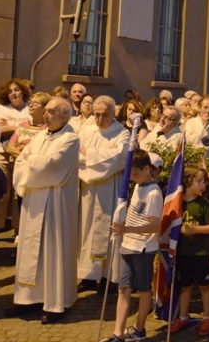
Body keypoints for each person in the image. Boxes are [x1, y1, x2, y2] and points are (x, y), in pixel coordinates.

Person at [9, 97, 79, 323]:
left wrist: (32, 161)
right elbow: (22, 160)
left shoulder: (71, 139)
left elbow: (52, 165)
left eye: (51, 111)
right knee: (29, 249)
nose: (46, 115)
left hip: (55, 205)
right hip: (33, 201)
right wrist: (33, 161)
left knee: (51, 250)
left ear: (65, 116)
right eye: (46, 111)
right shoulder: (40, 135)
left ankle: (55, 303)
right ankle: (28, 298)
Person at [101, 149, 163, 342]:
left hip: (144, 248)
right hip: (128, 246)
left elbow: (154, 225)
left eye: (135, 173)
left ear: (147, 169)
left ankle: (139, 328)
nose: (133, 178)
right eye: (131, 174)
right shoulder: (137, 187)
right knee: (124, 288)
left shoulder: (154, 192)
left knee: (144, 290)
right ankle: (118, 333)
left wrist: (126, 229)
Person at [77, 95, 129, 289]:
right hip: (88, 191)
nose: (99, 119)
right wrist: (100, 156)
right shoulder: (86, 130)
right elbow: (76, 156)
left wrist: (87, 154)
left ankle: (108, 276)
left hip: (111, 189)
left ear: (113, 113)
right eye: (96, 115)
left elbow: (118, 158)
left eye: (103, 115)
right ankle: (88, 275)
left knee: (109, 232)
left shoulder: (122, 133)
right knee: (86, 230)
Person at [168, 166, 209, 336]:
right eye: (199, 181)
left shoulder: (204, 205)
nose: (203, 185)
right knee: (185, 286)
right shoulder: (178, 202)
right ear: (188, 182)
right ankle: (183, 317)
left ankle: (207, 317)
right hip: (183, 253)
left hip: (201, 253)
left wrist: (194, 230)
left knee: (205, 286)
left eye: (205, 181)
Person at [0, 78, 32, 235]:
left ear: (23, 91)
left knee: (19, 192)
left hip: (22, 155)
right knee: (2, 190)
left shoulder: (30, 108)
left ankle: (18, 230)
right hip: (2, 153)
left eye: (16, 90)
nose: (13, 93)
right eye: (9, 91)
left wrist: (10, 127)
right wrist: (21, 127)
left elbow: (35, 128)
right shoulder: (1, 109)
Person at [5, 92, 52, 160]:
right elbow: (10, 147)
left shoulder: (48, 128)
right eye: (30, 102)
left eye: (35, 103)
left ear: (45, 108)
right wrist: (24, 157)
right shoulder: (22, 126)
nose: (30, 105)